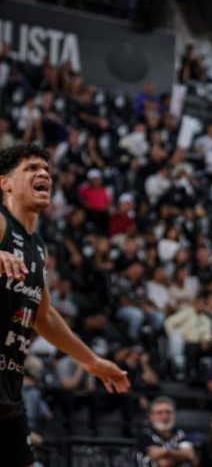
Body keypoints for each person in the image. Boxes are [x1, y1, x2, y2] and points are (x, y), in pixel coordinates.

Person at [0, 143, 130, 467]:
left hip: (8, 391)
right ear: (6, 183)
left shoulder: (37, 248)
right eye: (31, 168)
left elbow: (44, 317)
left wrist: (90, 361)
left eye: (46, 169)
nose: (43, 173)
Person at [136, 396, 196, 467]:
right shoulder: (145, 434)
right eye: (159, 412)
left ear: (174, 415)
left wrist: (166, 452)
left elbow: (189, 454)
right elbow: (163, 463)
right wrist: (178, 454)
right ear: (151, 416)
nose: (164, 416)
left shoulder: (180, 433)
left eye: (168, 412)